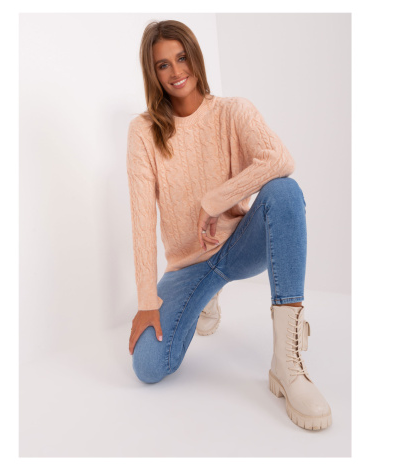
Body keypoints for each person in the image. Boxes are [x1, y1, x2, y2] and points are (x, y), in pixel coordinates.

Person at [126, 20, 332, 431]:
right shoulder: (143, 131)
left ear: (195, 57)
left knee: (284, 192)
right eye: (163, 65)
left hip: (239, 246)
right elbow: (141, 219)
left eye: (181, 57)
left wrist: (214, 201)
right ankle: (206, 296)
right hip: (188, 265)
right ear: (153, 73)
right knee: (148, 365)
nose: (176, 71)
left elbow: (280, 159)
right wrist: (147, 301)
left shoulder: (233, 111)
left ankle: (286, 363)